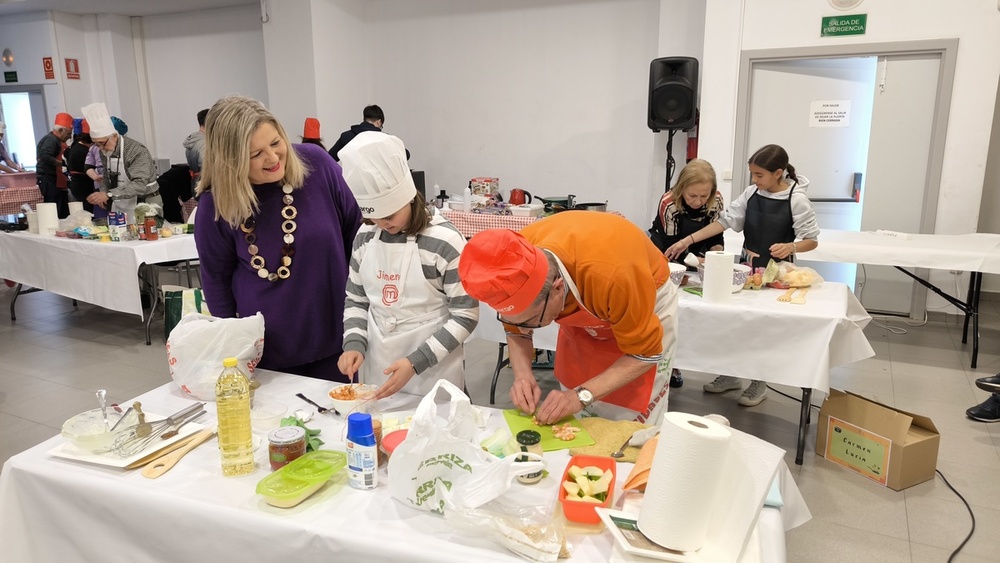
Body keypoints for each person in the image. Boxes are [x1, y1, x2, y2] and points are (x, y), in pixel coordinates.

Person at [194, 95, 362, 380]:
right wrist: (234, 353)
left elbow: (357, 237)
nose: (272, 159)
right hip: (265, 353)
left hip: (337, 342)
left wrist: (362, 320)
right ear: (230, 161)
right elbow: (216, 280)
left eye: (275, 143)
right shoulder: (216, 205)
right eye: (255, 154)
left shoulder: (317, 165)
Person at [459, 212, 677, 426]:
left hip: (642, 297)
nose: (526, 328)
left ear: (557, 288)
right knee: (575, 400)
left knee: (631, 415)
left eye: (533, 320)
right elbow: (516, 328)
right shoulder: (512, 265)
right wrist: (523, 376)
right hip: (590, 299)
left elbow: (644, 353)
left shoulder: (614, 277)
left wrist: (581, 396)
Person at [666, 144, 819, 407]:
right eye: (752, 174)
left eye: (759, 175)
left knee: (763, 329)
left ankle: (759, 383)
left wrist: (791, 246)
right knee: (738, 324)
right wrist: (687, 240)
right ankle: (731, 374)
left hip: (779, 274)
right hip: (749, 268)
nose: (754, 180)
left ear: (778, 173)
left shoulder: (797, 199)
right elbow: (724, 222)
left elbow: (812, 240)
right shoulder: (751, 193)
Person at [337, 132, 478, 403]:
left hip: (433, 370)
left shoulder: (444, 241)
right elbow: (356, 299)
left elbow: (465, 316)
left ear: (409, 197)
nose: (382, 224)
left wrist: (415, 362)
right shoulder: (365, 237)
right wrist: (353, 344)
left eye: (389, 216)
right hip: (378, 366)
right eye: (372, 217)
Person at [648, 158, 725, 389]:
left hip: (697, 252)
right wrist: (695, 261)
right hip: (667, 251)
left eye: (704, 196)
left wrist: (716, 253)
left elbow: (715, 235)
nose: (698, 201)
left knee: (695, 314)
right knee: (669, 310)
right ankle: (670, 364)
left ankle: (698, 359)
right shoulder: (669, 203)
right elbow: (672, 245)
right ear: (682, 189)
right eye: (692, 196)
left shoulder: (716, 200)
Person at [81, 103, 163, 223]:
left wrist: (108, 194)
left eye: (102, 143)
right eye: (96, 144)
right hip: (120, 203)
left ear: (114, 136)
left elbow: (139, 185)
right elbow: (106, 176)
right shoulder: (103, 150)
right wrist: (103, 191)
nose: (100, 148)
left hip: (146, 202)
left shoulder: (136, 150)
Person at [329, 105, 409, 162]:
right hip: (378, 184)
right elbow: (406, 155)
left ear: (364, 119)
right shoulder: (385, 139)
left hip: (351, 184)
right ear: (379, 122)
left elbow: (329, 158)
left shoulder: (346, 136)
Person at [35, 112, 73, 217]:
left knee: (61, 208)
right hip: (49, 178)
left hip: (56, 179)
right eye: (69, 133)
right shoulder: (51, 140)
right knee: (52, 208)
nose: (70, 137)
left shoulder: (56, 140)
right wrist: (63, 164)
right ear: (61, 130)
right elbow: (44, 156)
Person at [66, 120, 95, 212]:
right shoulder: (83, 151)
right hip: (83, 186)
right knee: (88, 212)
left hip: (78, 184)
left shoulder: (76, 146)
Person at [183, 109, 208, 191]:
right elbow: (207, 167)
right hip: (205, 185)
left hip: (195, 183)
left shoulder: (193, 140)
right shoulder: (204, 142)